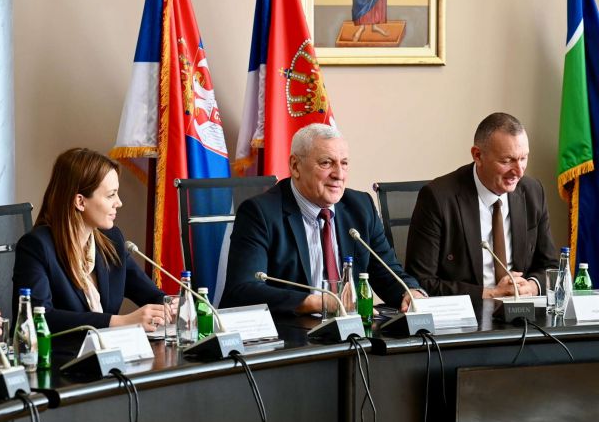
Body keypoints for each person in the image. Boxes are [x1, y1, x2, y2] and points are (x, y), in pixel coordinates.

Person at [220, 122, 423, 316]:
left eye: (344, 163)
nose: (339, 174)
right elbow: (244, 289)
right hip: (291, 331)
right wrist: (321, 303)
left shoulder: (361, 207)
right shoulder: (260, 213)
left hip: (351, 332)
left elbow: (388, 273)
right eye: (326, 163)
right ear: (295, 166)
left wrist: (410, 292)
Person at [12, 148, 167, 351]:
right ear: (80, 201)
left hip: (108, 357)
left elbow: (151, 295)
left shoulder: (112, 240)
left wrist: (167, 306)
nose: (119, 203)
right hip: (58, 361)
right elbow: (38, 318)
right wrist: (119, 322)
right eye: (111, 195)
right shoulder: (36, 247)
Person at [405, 112, 558, 306]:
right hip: (467, 315)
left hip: (522, 312)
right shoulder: (438, 197)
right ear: (478, 155)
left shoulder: (533, 191)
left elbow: (550, 266)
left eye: (523, 158)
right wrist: (490, 294)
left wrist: (532, 286)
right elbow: (421, 281)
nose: (519, 171)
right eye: (507, 161)